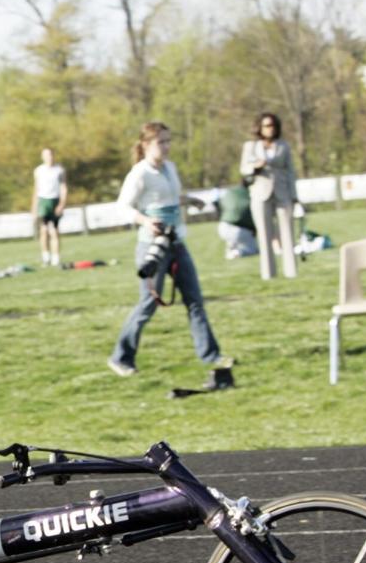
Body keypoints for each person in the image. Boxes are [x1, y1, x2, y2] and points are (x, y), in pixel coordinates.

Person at [107, 122, 229, 377]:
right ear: (146, 145)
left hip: (177, 243)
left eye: (168, 140)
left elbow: (170, 197)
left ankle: (211, 355)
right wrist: (145, 221)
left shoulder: (170, 168)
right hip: (152, 247)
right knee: (148, 304)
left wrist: (190, 200)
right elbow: (123, 207)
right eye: (161, 142)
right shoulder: (139, 173)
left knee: (195, 300)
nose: (166, 146)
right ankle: (121, 358)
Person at [240, 112, 298, 280]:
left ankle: (291, 271)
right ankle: (268, 273)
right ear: (259, 128)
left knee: (287, 232)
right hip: (260, 192)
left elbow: (291, 172)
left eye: (272, 125)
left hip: (282, 191)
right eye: (266, 126)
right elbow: (244, 168)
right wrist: (255, 166)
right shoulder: (251, 146)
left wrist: (294, 196)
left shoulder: (283, 146)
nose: (270, 129)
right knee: (264, 234)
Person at [33, 148, 67, 266]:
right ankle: (46, 257)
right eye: (46, 155)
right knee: (44, 230)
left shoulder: (59, 170)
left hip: (55, 200)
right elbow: (36, 189)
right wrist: (34, 207)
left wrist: (62, 203)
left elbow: (63, 187)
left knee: (55, 231)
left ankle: (56, 258)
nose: (49, 157)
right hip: (43, 201)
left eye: (51, 154)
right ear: (43, 157)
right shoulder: (39, 170)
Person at [214, 186, 258, 260]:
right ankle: (237, 252)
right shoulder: (250, 196)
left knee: (233, 238)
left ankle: (231, 248)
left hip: (222, 227)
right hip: (239, 230)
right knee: (253, 251)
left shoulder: (230, 193)